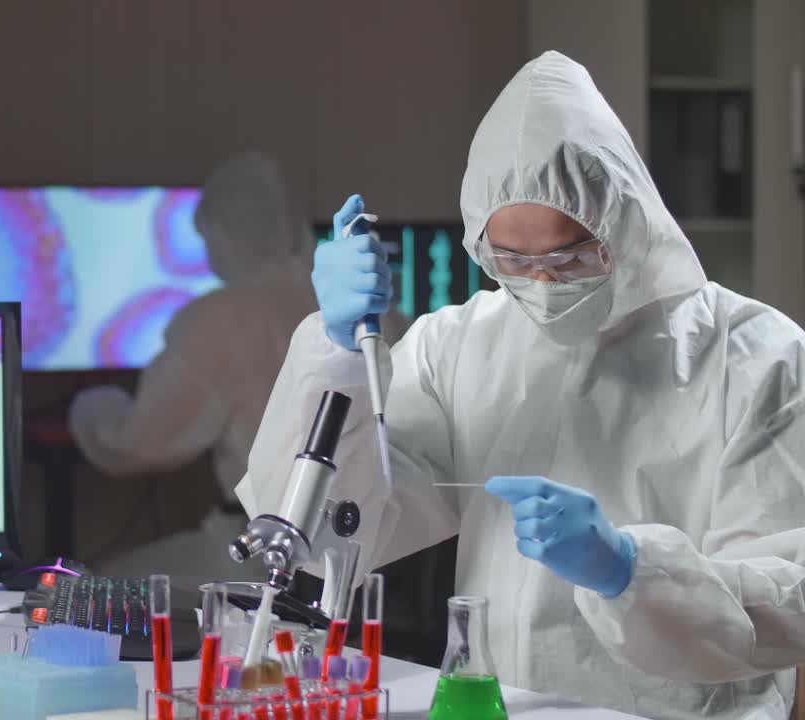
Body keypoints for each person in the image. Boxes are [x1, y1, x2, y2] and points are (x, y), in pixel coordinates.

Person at [236, 51, 805, 719]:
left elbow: (789, 601)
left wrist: (631, 569)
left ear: (625, 223)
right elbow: (341, 533)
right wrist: (335, 354)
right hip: (503, 703)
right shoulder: (459, 344)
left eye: (569, 257)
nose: (540, 282)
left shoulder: (757, 358)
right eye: (510, 258)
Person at [70, 152, 410, 584]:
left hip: (267, 550)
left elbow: (138, 441)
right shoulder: (374, 308)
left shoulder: (222, 315)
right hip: (378, 550)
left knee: (91, 587)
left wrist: (90, 407)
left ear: (225, 234)